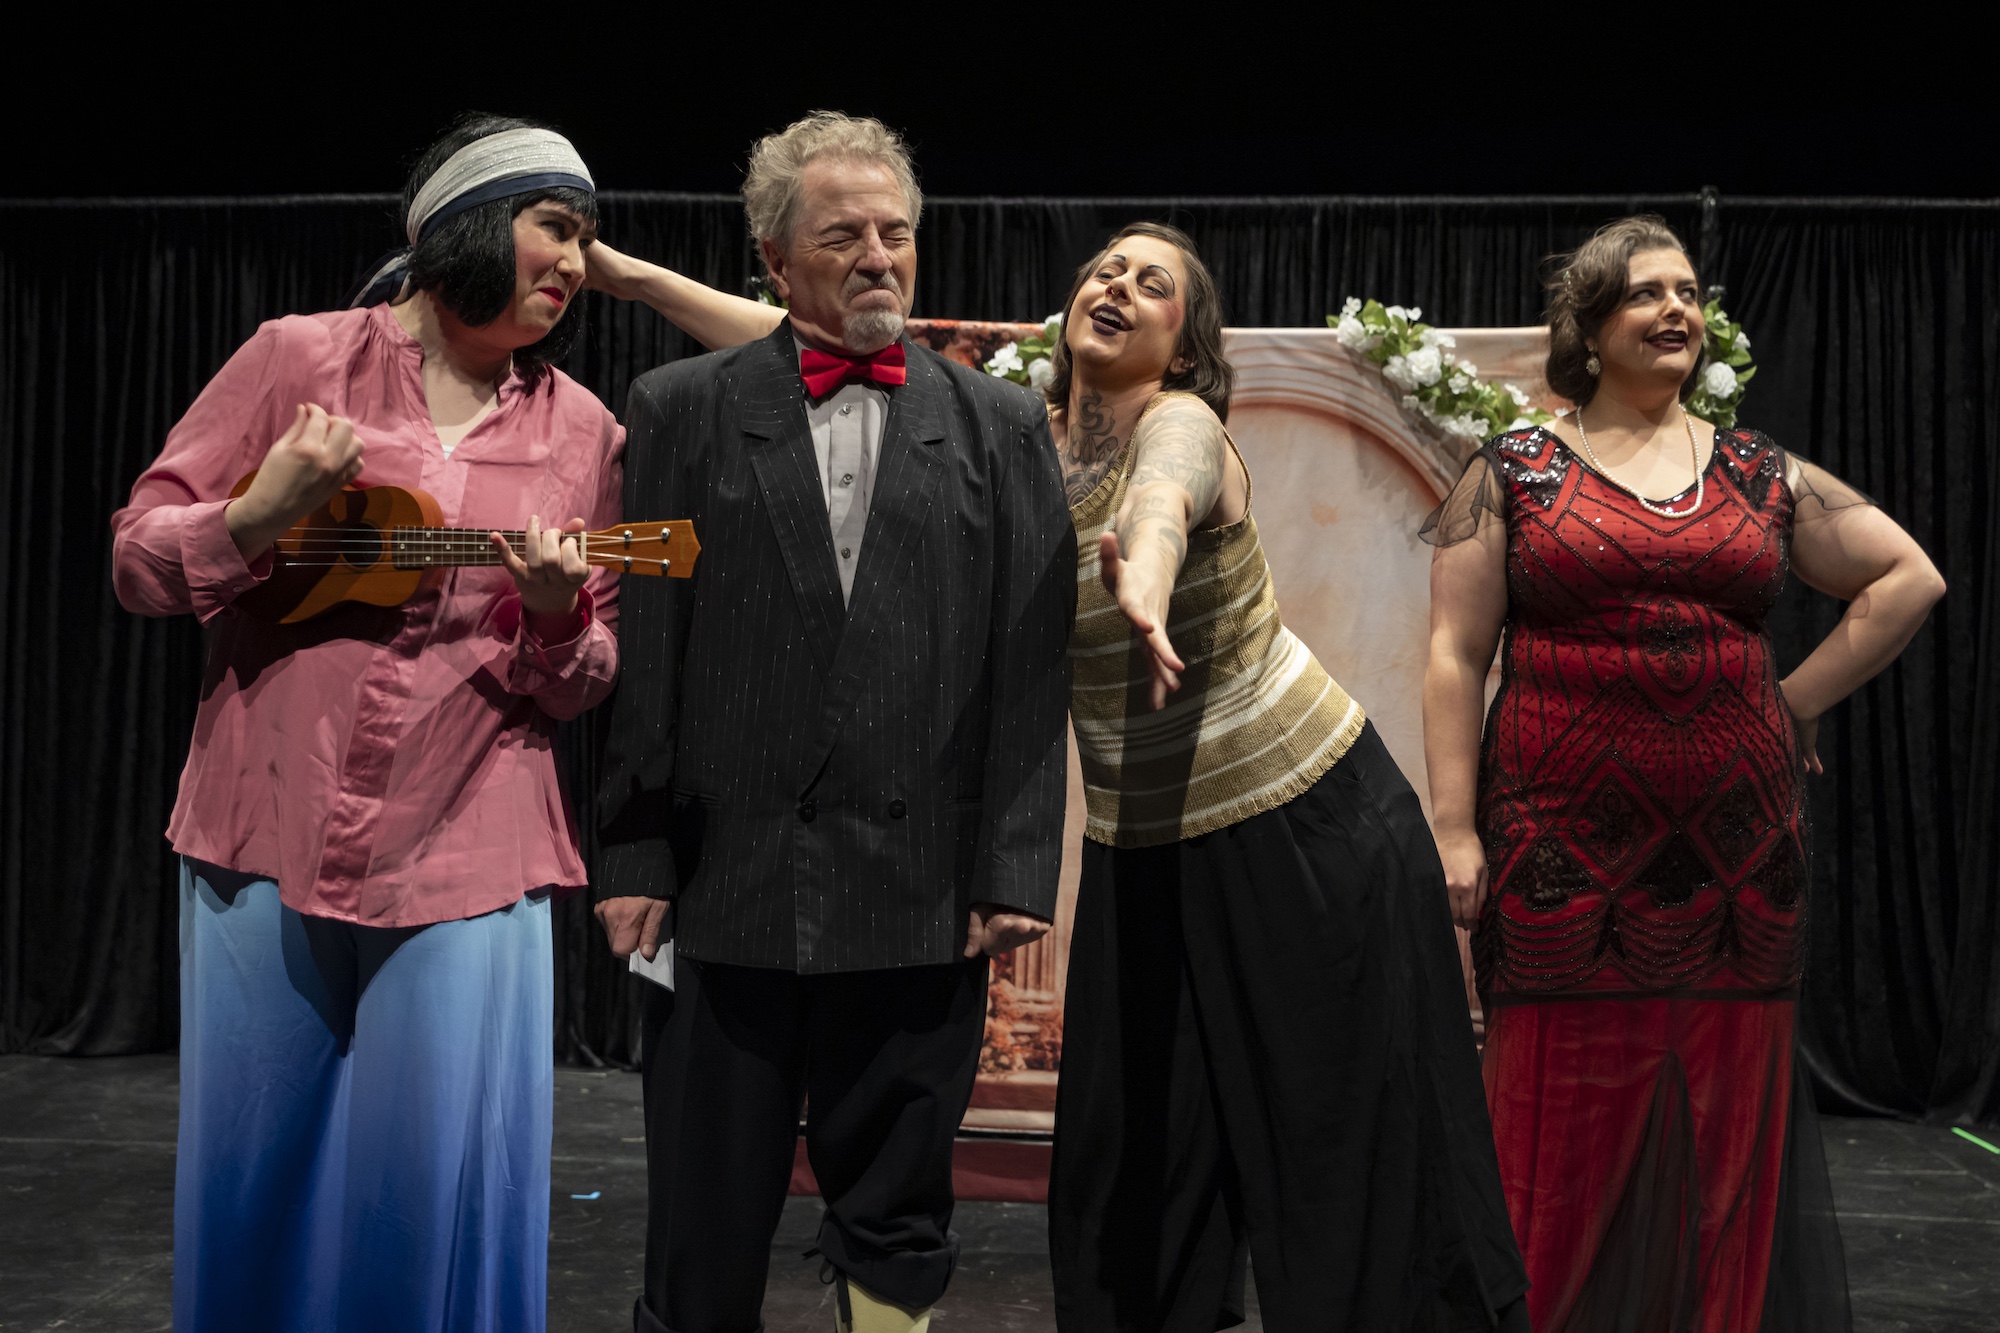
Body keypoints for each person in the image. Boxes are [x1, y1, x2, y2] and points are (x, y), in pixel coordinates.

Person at [110, 114, 623, 1332]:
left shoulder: (581, 430)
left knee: (431, 1187)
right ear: (469, 224)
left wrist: (559, 617)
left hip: (467, 846)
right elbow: (137, 560)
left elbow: (587, 671)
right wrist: (252, 515)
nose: (575, 263)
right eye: (555, 228)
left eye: (587, 241)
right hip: (265, 825)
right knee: (254, 1168)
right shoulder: (295, 359)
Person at [590, 111, 1075, 1333]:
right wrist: (634, 851)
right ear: (772, 259)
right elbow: (650, 647)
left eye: (894, 234)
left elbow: (1029, 670)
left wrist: (1013, 868)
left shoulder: (999, 423)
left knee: (898, 1211)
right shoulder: (681, 405)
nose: (876, 258)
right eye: (842, 235)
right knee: (704, 1214)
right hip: (727, 880)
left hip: (921, 889)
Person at [1423, 215, 1946, 1331]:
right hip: (1558, 847)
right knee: (1557, 1124)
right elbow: (1454, 654)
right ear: (1588, 326)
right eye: (1644, 292)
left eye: (1687, 292)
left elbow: (1910, 576)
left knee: (1719, 1133)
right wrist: (1453, 828)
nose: (1675, 309)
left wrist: (1790, 699)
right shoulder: (1511, 469)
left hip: (1740, 857)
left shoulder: (1758, 469)